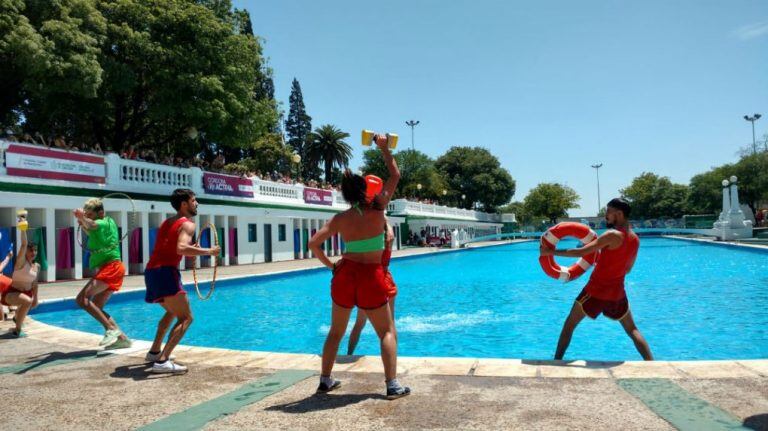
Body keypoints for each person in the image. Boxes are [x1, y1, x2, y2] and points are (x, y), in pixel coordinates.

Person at [309, 135, 410, 399]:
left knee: (336, 331)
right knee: (386, 331)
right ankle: (392, 385)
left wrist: (332, 266)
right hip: (371, 275)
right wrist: (384, 148)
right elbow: (395, 174)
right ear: (367, 191)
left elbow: (313, 244)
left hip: (345, 274)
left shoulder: (340, 218)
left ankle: (325, 380)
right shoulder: (379, 210)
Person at [541, 198, 653, 361]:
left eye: (608, 212)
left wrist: (550, 252)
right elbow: (628, 269)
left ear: (619, 214)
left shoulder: (611, 235)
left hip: (594, 292)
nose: (605, 215)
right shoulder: (635, 239)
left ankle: (557, 361)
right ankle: (652, 364)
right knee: (632, 330)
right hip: (618, 294)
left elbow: (580, 253)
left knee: (569, 326)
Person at [143, 189, 220, 374]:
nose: (196, 204)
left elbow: (170, 246)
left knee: (171, 312)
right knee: (186, 317)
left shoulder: (168, 222)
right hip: (166, 272)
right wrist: (209, 251)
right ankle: (162, 362)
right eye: (194, 200)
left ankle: (154, 352)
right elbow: (180, 248)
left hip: (151, 272)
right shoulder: (188, 225)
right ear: (184, 204)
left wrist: (192, 248)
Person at [73, 199, 132, 349]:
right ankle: (122, 339)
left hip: (110, 268)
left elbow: (92, 225)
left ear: (100, 213)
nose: (89, 217)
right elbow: (92, 230)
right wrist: (83, 221)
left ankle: (111, 330)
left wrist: (82, 218)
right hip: (113, 268)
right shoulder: (107, 223)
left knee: (81, 299)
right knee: (97, 306)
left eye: (91, 214)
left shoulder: (103, 222)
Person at [346, 223, 398, 355]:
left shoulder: (369, 244)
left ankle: (349, 354)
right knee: (390, 326)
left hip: (367, 280)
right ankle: (393, 359)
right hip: (385, 279)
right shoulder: (388, 240)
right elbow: (388, 230)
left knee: (359, 324)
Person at [1, 216, 39, 337]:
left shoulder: (36, 266)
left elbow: (35, 284)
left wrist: (36, 298)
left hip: (27, 293)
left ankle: (17, 317)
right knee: (27, 301)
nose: (33, 253)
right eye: (31, 250)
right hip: (11, 294)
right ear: (26, 252)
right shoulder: (21, 263)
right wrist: (23, 228)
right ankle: (17, 329)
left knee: (29, 301)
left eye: (35, 250)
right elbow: (24, 244)